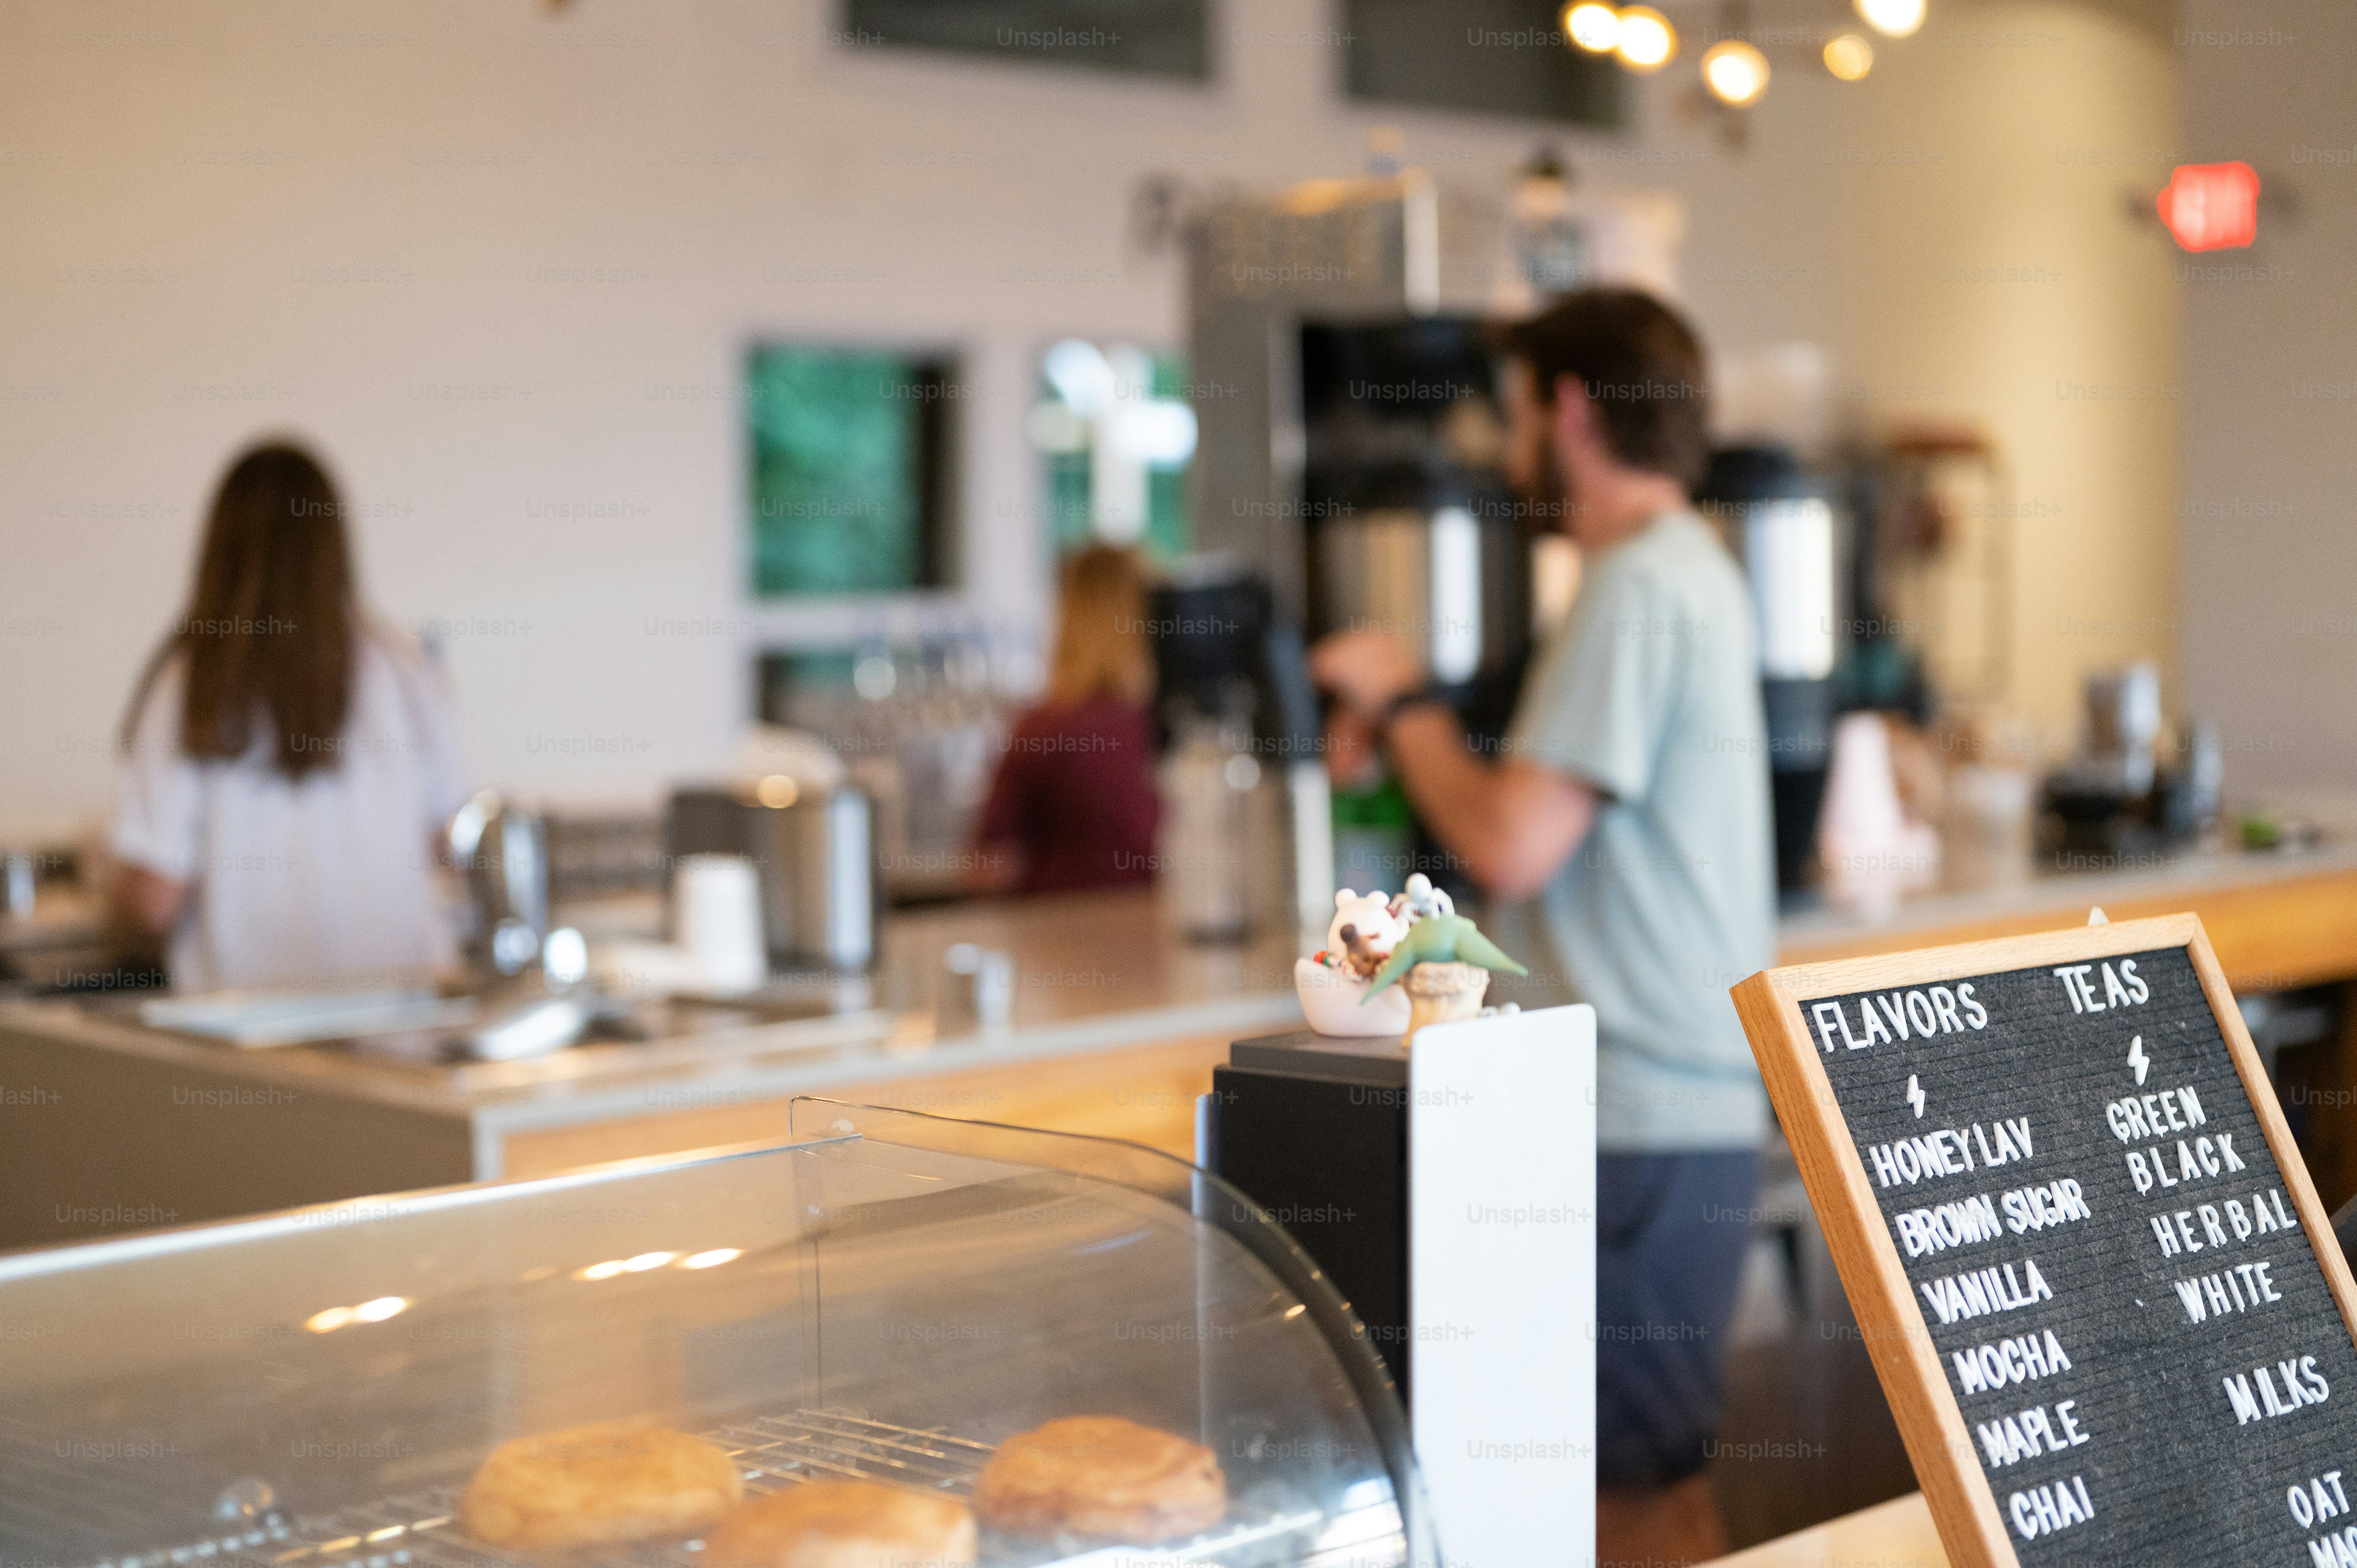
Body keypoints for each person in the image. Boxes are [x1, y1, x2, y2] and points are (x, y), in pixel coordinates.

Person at [1311, 289, 1774, 1564]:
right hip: (1671, 1105)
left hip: (1633, 1112)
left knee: (1625, 1506)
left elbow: (1511, 838)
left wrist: (1401, 696)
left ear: (1566, 410)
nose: (1506, 449)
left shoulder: (1636, 582)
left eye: (1513, 416)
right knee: (1643, 1484)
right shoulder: (1688, 569)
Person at [112, 441, 469, 992]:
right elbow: (450, 842)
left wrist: (111, 892)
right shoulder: (407, 672)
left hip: (242, 1023)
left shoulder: (189, 684)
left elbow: (154, 900)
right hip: (403, 1015)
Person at [968, 544, 1161, 895]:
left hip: (1060, 922)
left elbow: (985, 865)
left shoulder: (1044, 726)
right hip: (1163, 922)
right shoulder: (1176, 725)